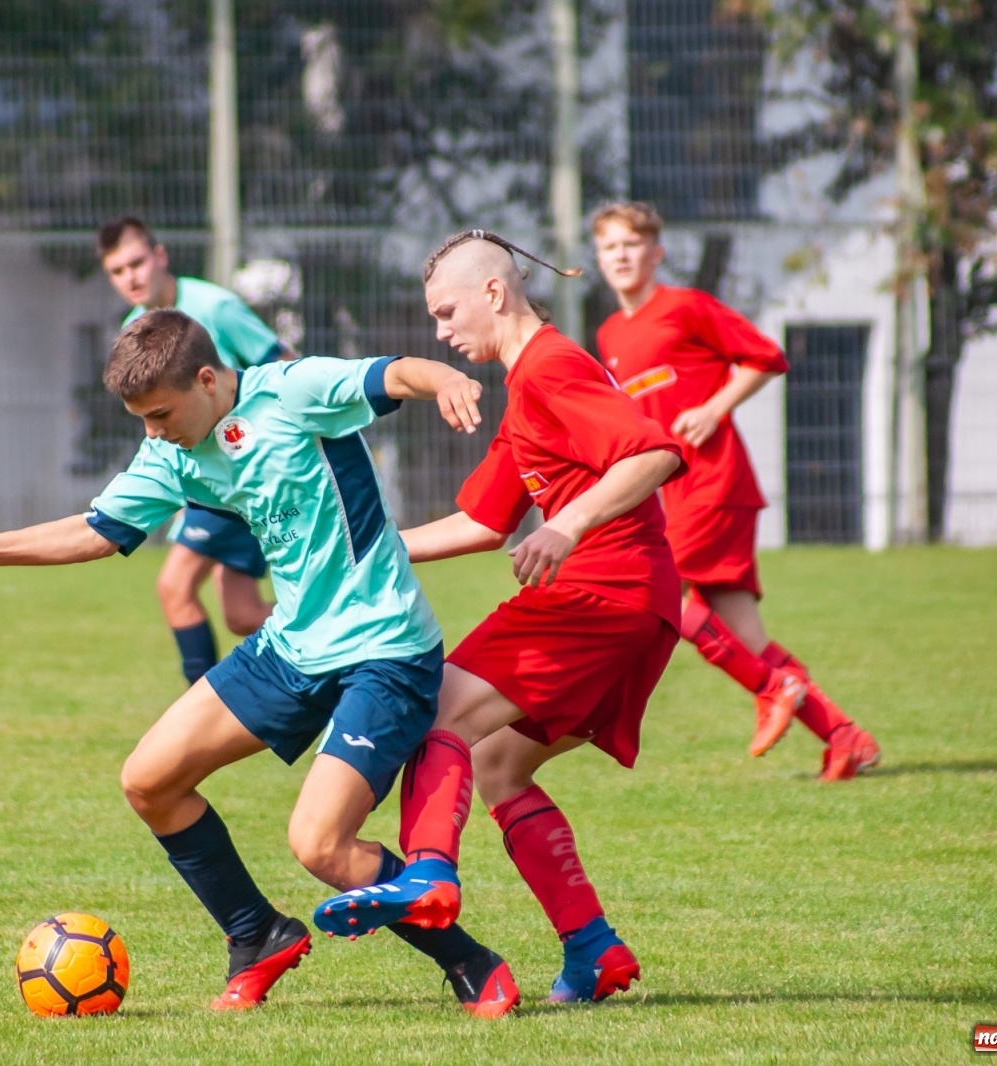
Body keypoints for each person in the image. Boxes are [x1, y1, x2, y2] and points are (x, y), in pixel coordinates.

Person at [0, 310, 514, 1014]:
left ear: (207, 379)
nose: (153, 431)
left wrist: (443, 377)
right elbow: (97, 529)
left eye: (161, 413)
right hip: (292, 647)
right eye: (141, 419)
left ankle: (469, 960)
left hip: (385, 651)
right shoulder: (172, 452)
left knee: (320, 845)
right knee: (150, 781)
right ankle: (256, 934)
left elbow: (389, 375)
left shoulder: (292, 392)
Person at [312, 231, 686, 1006]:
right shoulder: (529, 389)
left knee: (437, 708)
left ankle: (426, 876)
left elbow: (654, 453)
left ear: (494, 292)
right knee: (498, 766)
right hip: (639, 608)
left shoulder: (551, 366)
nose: (441, 333)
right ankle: (593, 949)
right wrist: (360, 555)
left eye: (447, 312)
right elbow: (480, 524)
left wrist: (565, 527)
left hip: (599, 591)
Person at [591, 201, 881, 781]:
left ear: (656, 252)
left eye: (631, 245)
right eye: (609, 248)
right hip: (672, 492)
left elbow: (766, 356)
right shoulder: (610, 333)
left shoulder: (686, 307)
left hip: (712, 483)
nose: (621, 257)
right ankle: (846, 737)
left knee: (660, 595)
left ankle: (774, 688)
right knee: (744, 635)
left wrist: (714, 406)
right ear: (598, 259)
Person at [98, 216, 286, 686]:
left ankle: (200, 712)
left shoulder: (215, 307)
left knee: (175, 586)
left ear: (160, 256)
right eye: (118, 271)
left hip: (243, 474)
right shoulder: (135, 328)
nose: (131, 278)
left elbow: (283, 367)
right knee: (243, 614)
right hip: (209, 481)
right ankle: (333, 638)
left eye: (137, 262)